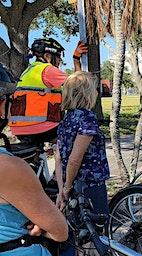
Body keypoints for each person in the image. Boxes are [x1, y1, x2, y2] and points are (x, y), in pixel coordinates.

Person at [0, 66, 68, 255]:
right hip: (43, 128)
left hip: (24, 131)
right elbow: (60, 231)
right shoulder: (8, 168)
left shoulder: (30, 69)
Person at [54, 72, 110, 255]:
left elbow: (59, 158)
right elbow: (75, 159)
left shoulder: (65, 120)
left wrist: (62, 189)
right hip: (89, 186)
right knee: (94, 237)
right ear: (87, 92)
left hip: (71, 187)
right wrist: (68, 186)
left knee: (77, 236)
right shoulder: (87, 118)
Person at [9, 38, 88, 145]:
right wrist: (76, 59)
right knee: (80, 138)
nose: (60, 60)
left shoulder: (28, 71)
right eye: (58, 56)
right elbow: (79, 84)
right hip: (40, 127)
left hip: (19, 129)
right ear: (47, 56)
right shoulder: (47, 69)